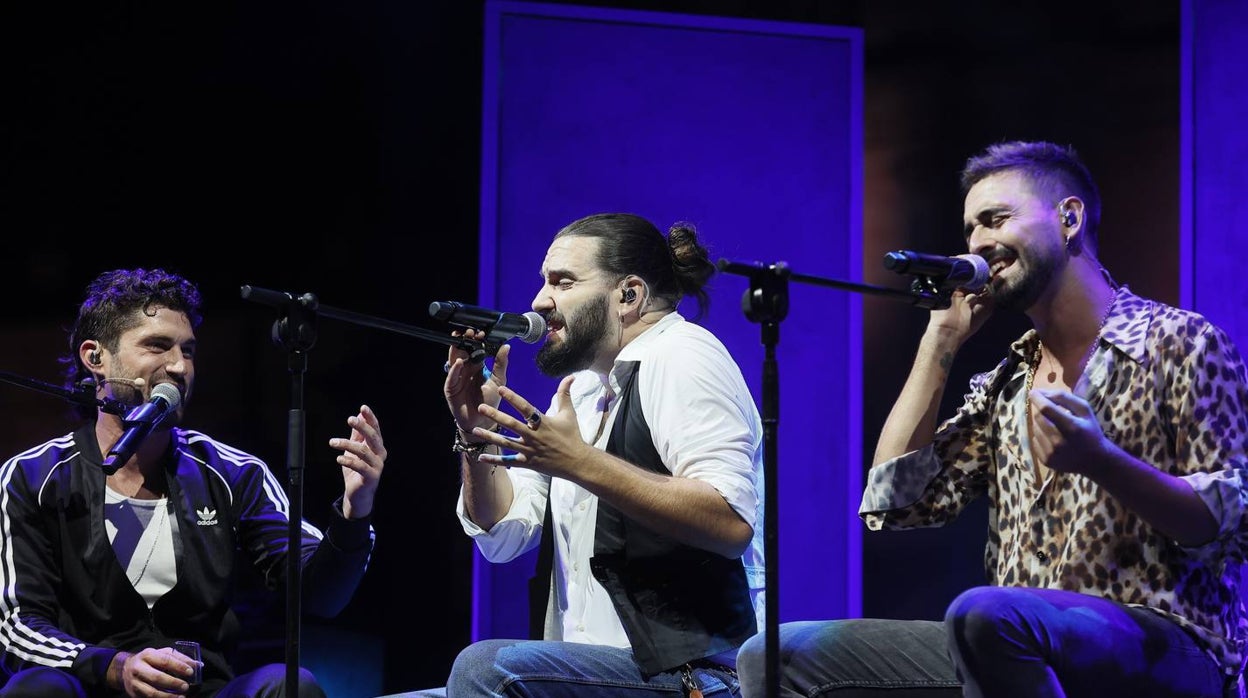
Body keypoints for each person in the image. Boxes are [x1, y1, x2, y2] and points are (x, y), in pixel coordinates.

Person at [737, 140, 1248, 698]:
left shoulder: (1181, 343)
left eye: (996, 219)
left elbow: (1224, 524)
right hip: (1009, 640)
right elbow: (894, 503)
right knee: (774, 656)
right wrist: (941, 341)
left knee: (988, 614)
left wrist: (1101, 461)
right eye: (970, 230)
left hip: (1167, 644)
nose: (980, 243)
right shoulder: (1007, 383)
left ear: (1069, 218)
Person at [399, 212, 765, 697]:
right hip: (600, 673)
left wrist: (578, 462)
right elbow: (505, 535)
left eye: (562, 282)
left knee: (486, 668)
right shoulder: (585, 391)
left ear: (628, 295)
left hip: (696, 676)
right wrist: (475, 433)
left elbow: (729, 521)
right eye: (543, 282)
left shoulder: (684, 357)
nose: (539, 301)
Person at [0, 268, 386, 697]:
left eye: (188, 350)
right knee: (35, 689)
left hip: (204, 692)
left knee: (287, 685)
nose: (179, 366)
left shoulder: (232, 472)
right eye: (157, 346)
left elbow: (319, 593)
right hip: (90, 688)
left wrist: (354, 512)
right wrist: (114, 667)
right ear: (95, 358)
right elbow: (16, 627)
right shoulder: (33, 476)